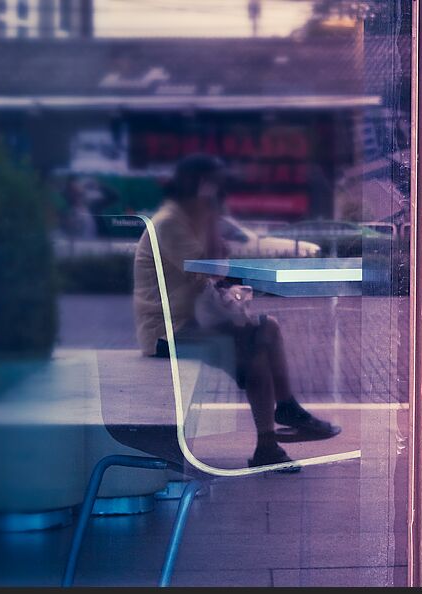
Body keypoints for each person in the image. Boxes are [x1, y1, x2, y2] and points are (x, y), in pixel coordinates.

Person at [133, 154, 340, 472]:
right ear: (201, 185)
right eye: (216, 186)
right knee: (255, 350)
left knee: (267, 328)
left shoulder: (190, 219)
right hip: (168, 332)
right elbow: (213, 267)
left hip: (192, 322)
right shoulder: (171, 223)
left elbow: (214, 270)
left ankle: (285, 407)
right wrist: (214, 219)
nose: (221, 193)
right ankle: (267, 445)